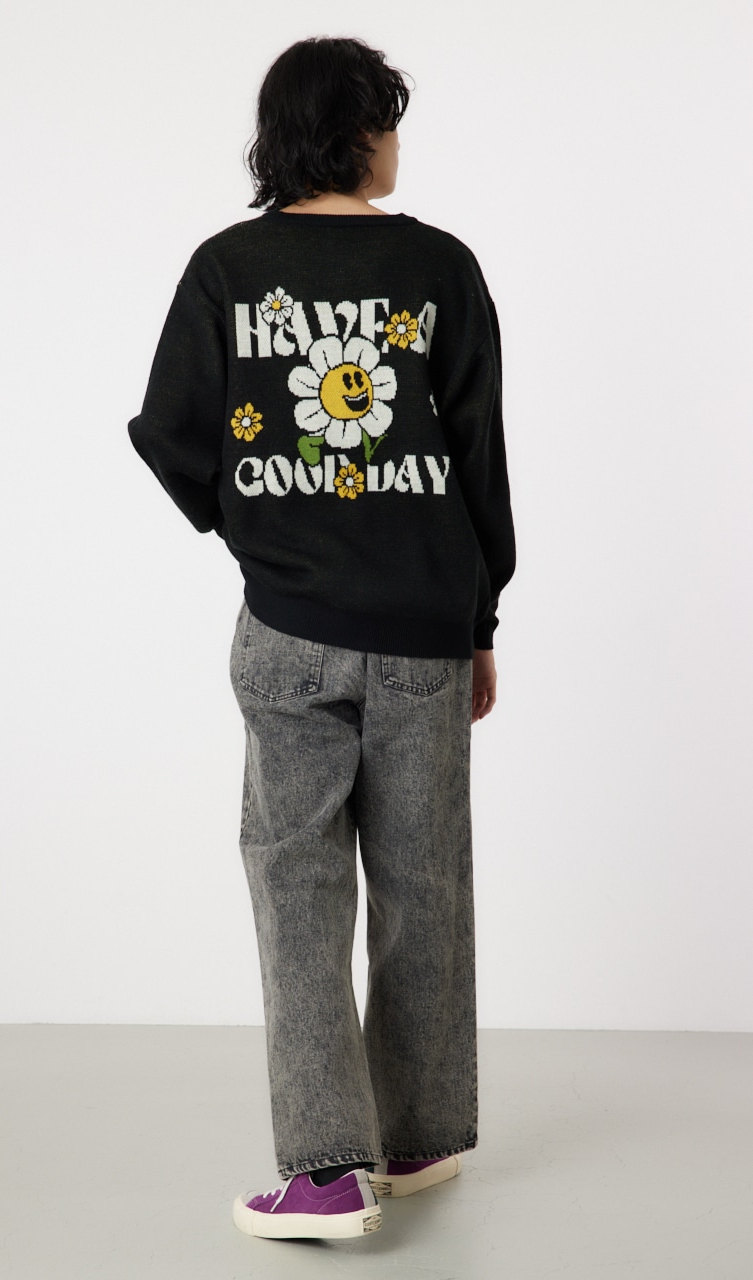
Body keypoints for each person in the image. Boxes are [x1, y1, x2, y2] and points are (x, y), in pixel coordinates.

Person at [127, 34, 516, 1242]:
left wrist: (262, 528)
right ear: (354, 131)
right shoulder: (439, 267)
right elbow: (477, 458)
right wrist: (478, 620)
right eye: (388, 120)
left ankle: (328, 1170)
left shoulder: (229, 268)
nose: (397, 143)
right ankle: (414, 1134)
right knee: (423, 878)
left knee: (297, 887)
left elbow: (168, 431)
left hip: (288, 626)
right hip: (422, 631)